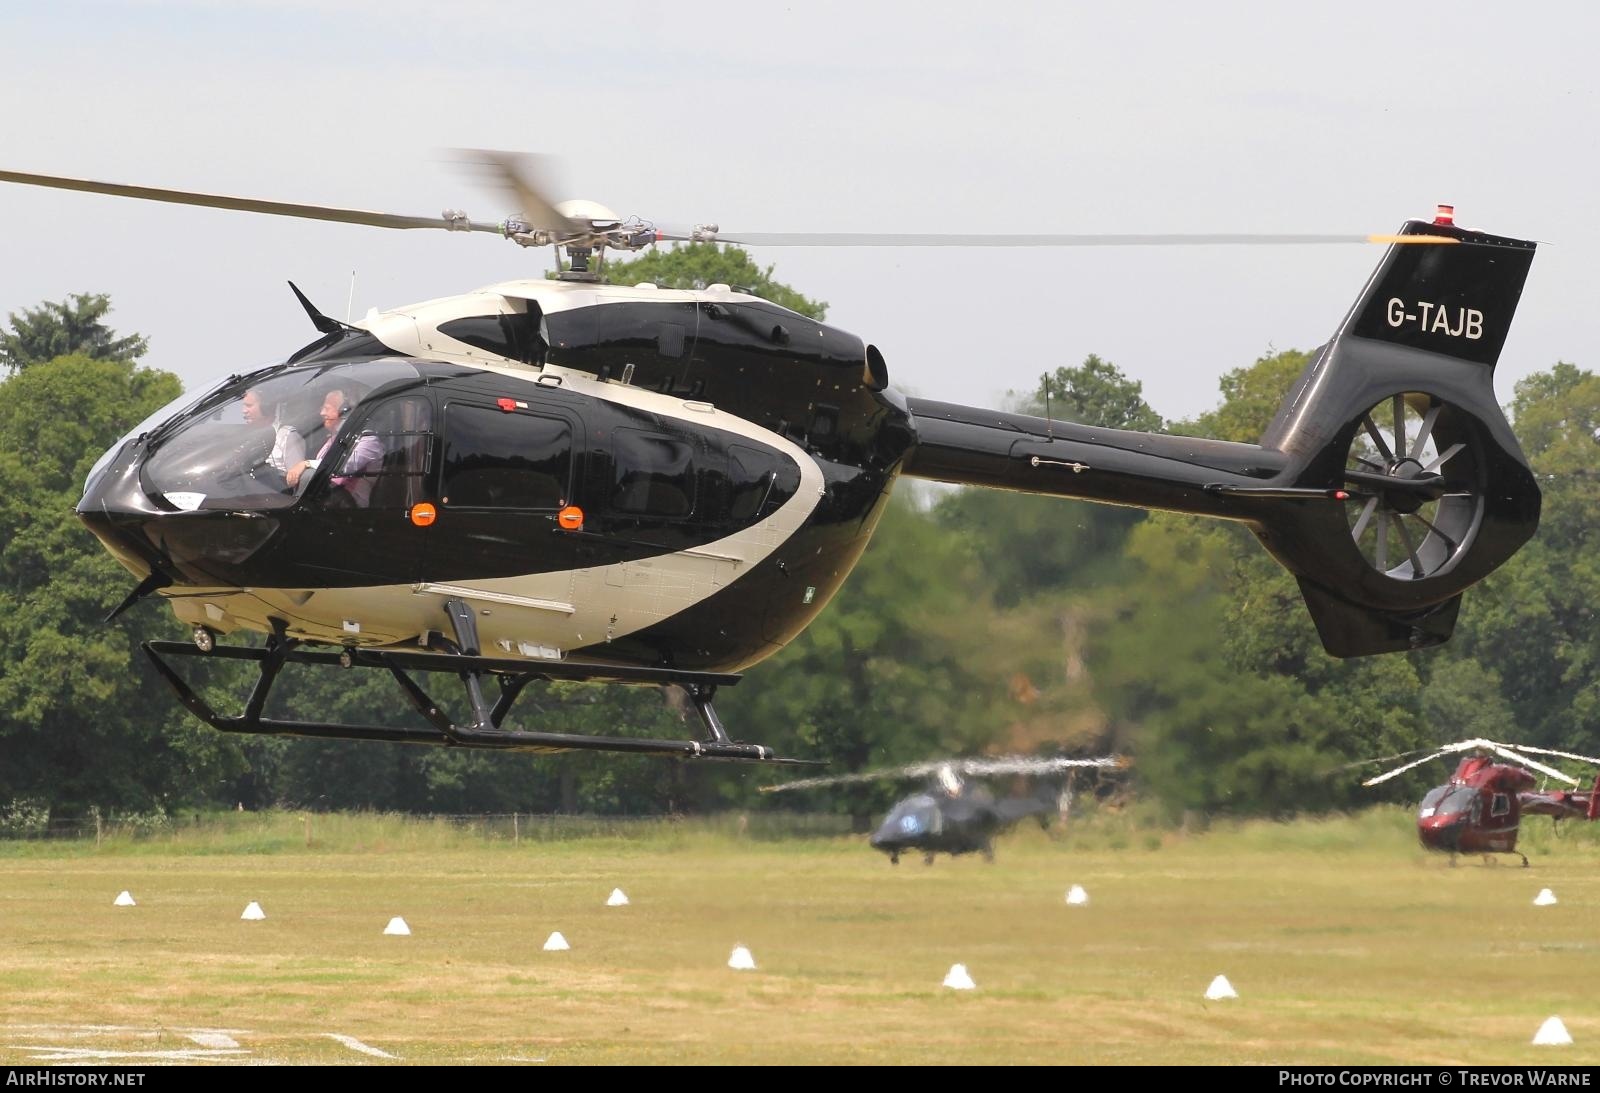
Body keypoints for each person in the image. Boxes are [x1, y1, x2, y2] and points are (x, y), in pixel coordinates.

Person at [286, 389, 384, 506]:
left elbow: (342, 467)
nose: (322, 413)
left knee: (308, 475)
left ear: (345, 412)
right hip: (327, 501)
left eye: (327, 408)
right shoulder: (333, 440)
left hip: (349, 508)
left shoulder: (368, 441)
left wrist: (306, 464)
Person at [241, 387, 306, 489]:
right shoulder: (246, 437)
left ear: (265, 407)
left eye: (249, 406)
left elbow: (297, 482)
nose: (244, 411)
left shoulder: (287, 436)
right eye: (244, 406)